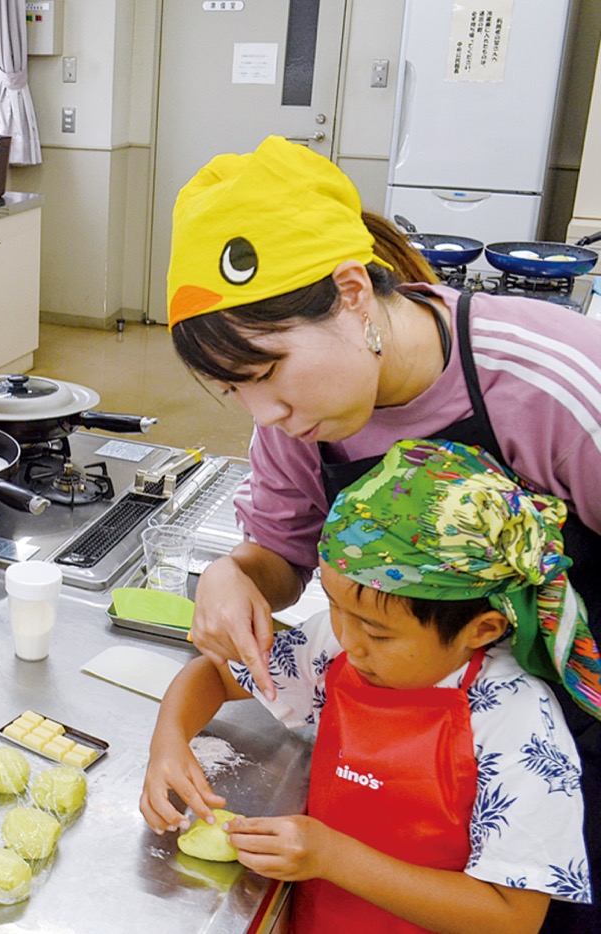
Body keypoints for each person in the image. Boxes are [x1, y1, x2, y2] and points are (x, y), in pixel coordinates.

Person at [165, 135, 601, 932]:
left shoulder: (548, 378)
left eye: (266, 374)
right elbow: (280, 560)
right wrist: (237, 575)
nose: (267, 418)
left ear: (353, 292)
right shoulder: (297, 429)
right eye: (236, 392)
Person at [142, 439, 594, 934]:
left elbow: (513, 917)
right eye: (336, 609)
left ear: (481, 629)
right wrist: (169, 741)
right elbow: (214, 673)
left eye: (377, 631)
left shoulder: (517, 723)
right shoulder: (338, 652)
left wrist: (333, 858)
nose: (347, 640)